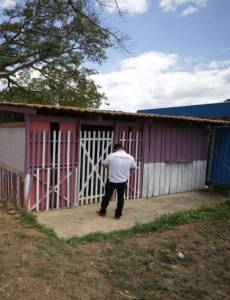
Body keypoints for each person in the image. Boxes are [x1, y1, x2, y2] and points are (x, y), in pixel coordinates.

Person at [97, 143, 137, 219]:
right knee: (120, 198)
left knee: (107, 196)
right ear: (122, 148)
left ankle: (103, 212)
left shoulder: (111, 155)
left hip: (112, 180)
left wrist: (109, 166)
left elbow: (104, 165)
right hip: (122, 181)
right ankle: (118, 215)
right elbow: (134, 167)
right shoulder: (130, 157)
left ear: (115, 149)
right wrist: (127, 171)